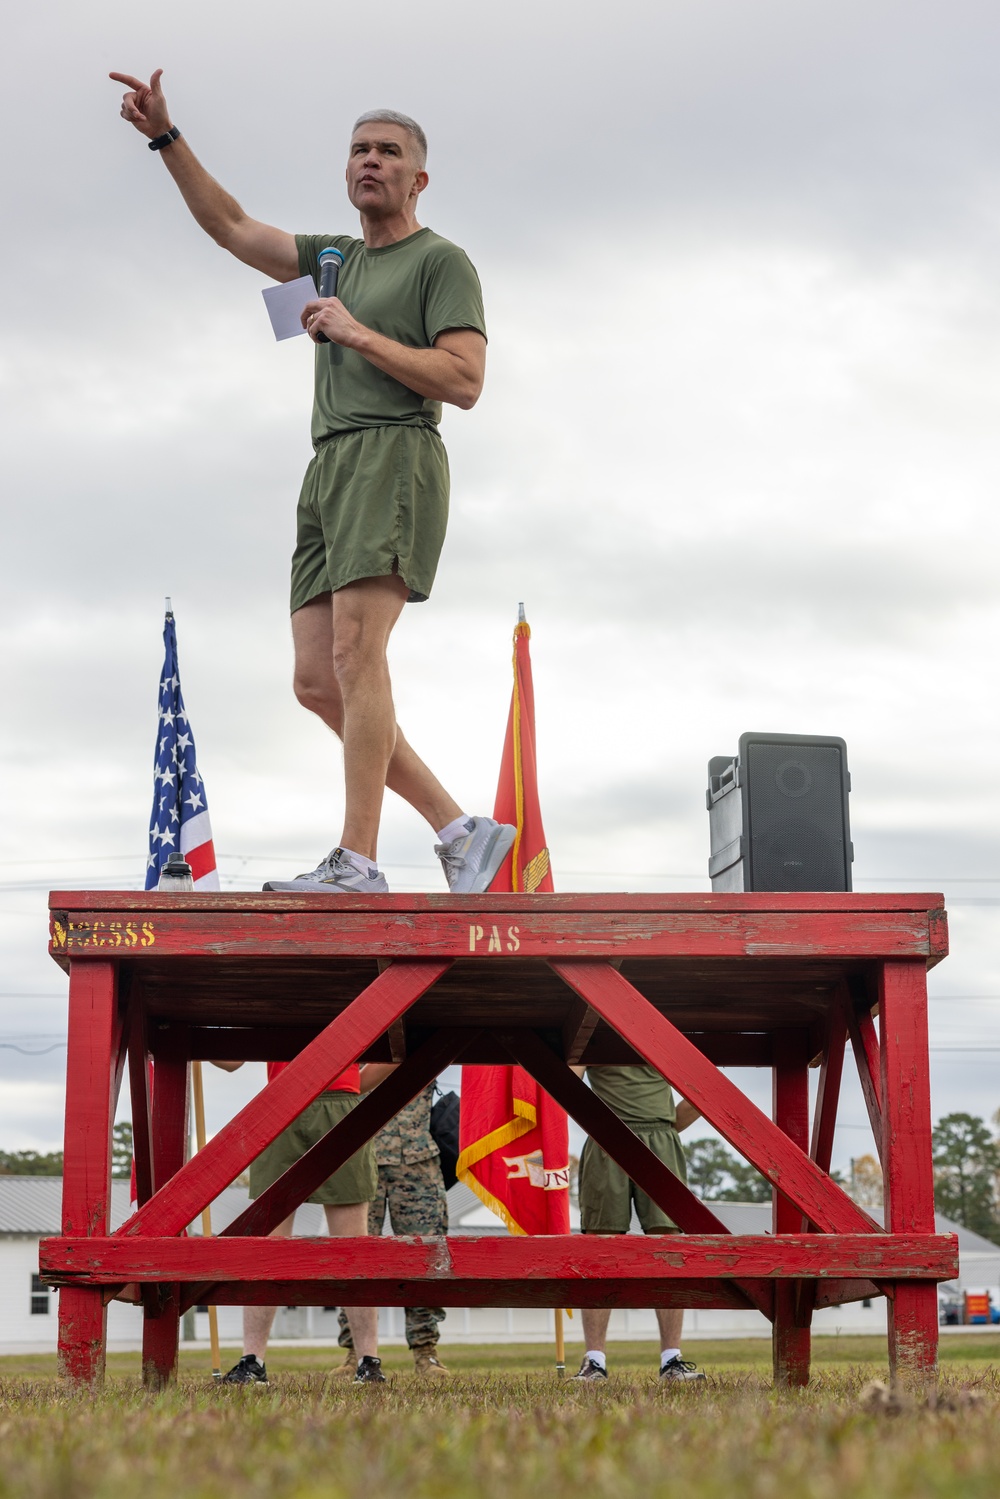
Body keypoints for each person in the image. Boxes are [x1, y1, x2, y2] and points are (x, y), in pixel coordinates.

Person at [111, 70, 515, 896]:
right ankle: (460, 829)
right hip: (325, 464)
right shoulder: (330, 259)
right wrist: (165, 136)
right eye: (360, 150)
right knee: (315, 680)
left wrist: (357, 333)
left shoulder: (441, 261)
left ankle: (358, 861)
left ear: (418, 177)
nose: (371, 161)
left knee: (358, 654)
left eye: (389, 152)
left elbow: (465, 380)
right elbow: (228, 227)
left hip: (393, 453)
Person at [211, 1056, 396, 1386]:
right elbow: (231, 1061)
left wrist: (353, 1087)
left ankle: (369, 1361)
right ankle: (252, 1360)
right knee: (268, 1248)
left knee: (352, 1248)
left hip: (340, 1102)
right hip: (282, 1103)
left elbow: (395, 1055)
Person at [570, 1064, 707, 1383]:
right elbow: (566, 1079)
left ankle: (672, 1360)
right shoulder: (589, 1021)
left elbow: (702, 1089)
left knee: (669, 1248)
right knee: (599, 1250)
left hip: (660, 1138)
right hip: (606, 1139)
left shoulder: (667, 1020)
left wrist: (665, 1129)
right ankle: (594, 1361)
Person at [335, 1084, 450, 1377]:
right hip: (360, 1155)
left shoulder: (419, 1038)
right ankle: (356, 1354)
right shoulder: (347, 1042)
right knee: (353, 1259)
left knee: (427, 1258)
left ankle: (426, 1353)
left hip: (417, 1161)